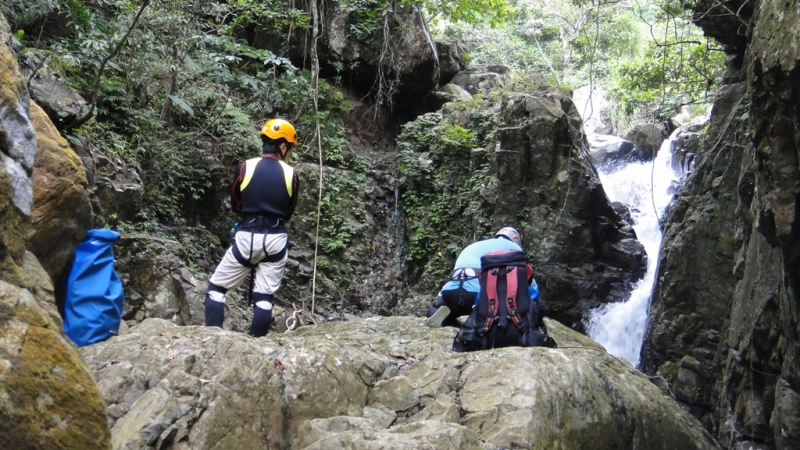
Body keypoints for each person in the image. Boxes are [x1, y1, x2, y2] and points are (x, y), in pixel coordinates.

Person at [204, 118, 299, 337]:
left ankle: (212, 338)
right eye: (289, 147)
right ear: (282, 146)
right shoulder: (290, 174)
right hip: (275, 237)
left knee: (217, 289)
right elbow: (289, 211)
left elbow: (236, 201)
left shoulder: (245, 167)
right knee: (264, 298)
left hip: (247, 236)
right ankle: (255, 344)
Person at [425, 226, 540, 327]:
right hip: (476, 295)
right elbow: (524, 282)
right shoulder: (513, 249)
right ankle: (477, 317)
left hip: (450, 292)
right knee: (497, 303)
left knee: (437, 307)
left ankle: (446, 313)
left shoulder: (473, 246)